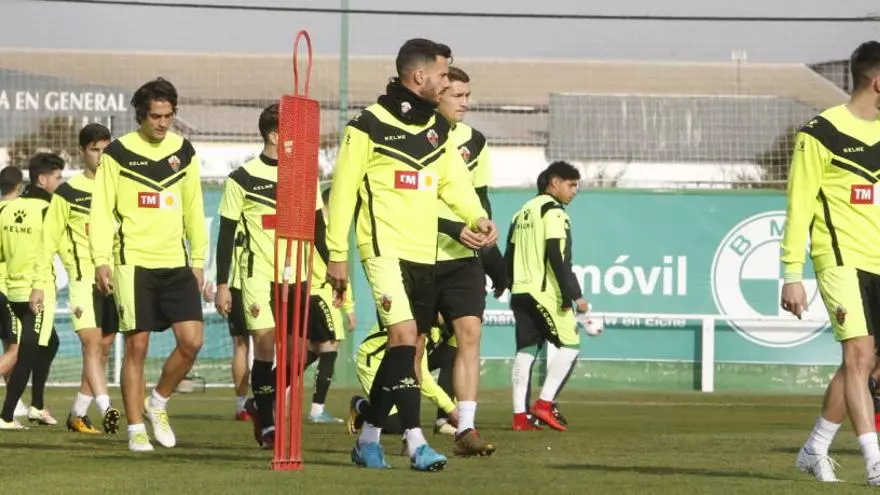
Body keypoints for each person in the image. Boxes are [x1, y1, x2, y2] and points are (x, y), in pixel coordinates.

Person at [326, 38, 497, 471]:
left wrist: (477, 217)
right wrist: (336, 253)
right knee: (404, 337)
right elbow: (343, 193)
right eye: (442, 74)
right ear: (420, 76)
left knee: (403, 349)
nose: (446, 82)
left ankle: (367, 439)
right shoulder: (366, 125)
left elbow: (454, 182)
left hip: (425, 254)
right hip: (382, 249)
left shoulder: (437, 129)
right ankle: (417, 442)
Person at [90, 77, 207, 452]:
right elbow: (101, 211)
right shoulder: (118, 153)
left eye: (168, 116)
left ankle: (157, 402)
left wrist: (199, 259)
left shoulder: (183, 151)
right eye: (156, 116)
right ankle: (136, 429)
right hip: (133, 263)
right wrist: (101, 260)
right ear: (141, 114)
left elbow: (194, 207)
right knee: (137, 347)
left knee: (192, 342)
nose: (162, 123)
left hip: (176, 262)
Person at [782, 40, 880, 485]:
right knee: (858, 355)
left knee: (867, 363)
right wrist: (791, 275)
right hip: (840, 260)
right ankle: (874, 462)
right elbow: (799, 207)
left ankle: (814, 448)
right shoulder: (820, 133)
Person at [213, 103, 325, 449]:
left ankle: (259, 402)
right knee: (264, 346)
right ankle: (268, 426)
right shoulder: (242, 178)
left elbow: (318, 228)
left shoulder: (304, 175)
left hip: (297, 274)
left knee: (303, 352)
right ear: (275, 136)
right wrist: (222, 283)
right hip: (257, 275)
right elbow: (226, 234)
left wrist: (335, 268)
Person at [433, 66, 507, 456]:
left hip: (463, 255)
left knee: (469, 334)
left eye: (467, 95)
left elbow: (480, 197)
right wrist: (449, 227)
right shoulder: (417, 136)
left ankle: (465, 427)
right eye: (457, 95)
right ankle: (381, 419)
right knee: (410, 344)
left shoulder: (475, 140)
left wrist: (490, 251)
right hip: (419, 251)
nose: (465, 102)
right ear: (437, 94)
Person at [31, 124, 122, 435]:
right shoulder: (67, 193)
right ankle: (106, 407)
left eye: (106, 149)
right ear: (82, 152)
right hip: (83, 280)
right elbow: (47, 242)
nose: (101, 156)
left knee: (104, 347)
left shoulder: (119, 188)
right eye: (95, 150)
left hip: (115, 279)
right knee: (91, 344)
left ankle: (77, 414)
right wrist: (38, 284)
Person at [505, 161, 586, 432]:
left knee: (526, 350)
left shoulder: (521, 213)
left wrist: (505, 283)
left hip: (520, 292)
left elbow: (509, 254)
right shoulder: (554, 212)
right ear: (555, 183)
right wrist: (572, 295)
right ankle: (544, 404)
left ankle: (520, 417)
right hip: (545, 293)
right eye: (571, 185)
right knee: (571, 344)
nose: (574, 191)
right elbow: (558, 256)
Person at [0, 153, 65, 430]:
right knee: (25, 353)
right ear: (43, 179)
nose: (60, 183)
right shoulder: (50, 209)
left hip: (12, 290)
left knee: (50, 343)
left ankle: (37, 405)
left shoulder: (8, 208)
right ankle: (5, 416)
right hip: (36, 292)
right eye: (57, 177)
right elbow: (63, 248)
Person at [348, 319, 459, 442]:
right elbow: (422, 375)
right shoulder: (420, 321)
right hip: (374, 362)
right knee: (396, 425)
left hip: (400, 361)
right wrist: (451, 409)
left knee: (453, 356)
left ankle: (442, 422)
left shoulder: (445, 324)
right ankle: (360, 405)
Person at [303, 186, 356, 424]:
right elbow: (338, 272)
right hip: (322, 293)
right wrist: (349, 308)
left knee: (312, 350)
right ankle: (316, 410)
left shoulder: (310, 227)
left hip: (307, 292)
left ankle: (269, 392)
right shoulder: (328, 231)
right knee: (329, 349)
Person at [0, 166, 26, 420]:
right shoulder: (18, 214)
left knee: (10, 345)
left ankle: (13, 404)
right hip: (8, 288)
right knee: (19, 348)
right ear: (19, 186)